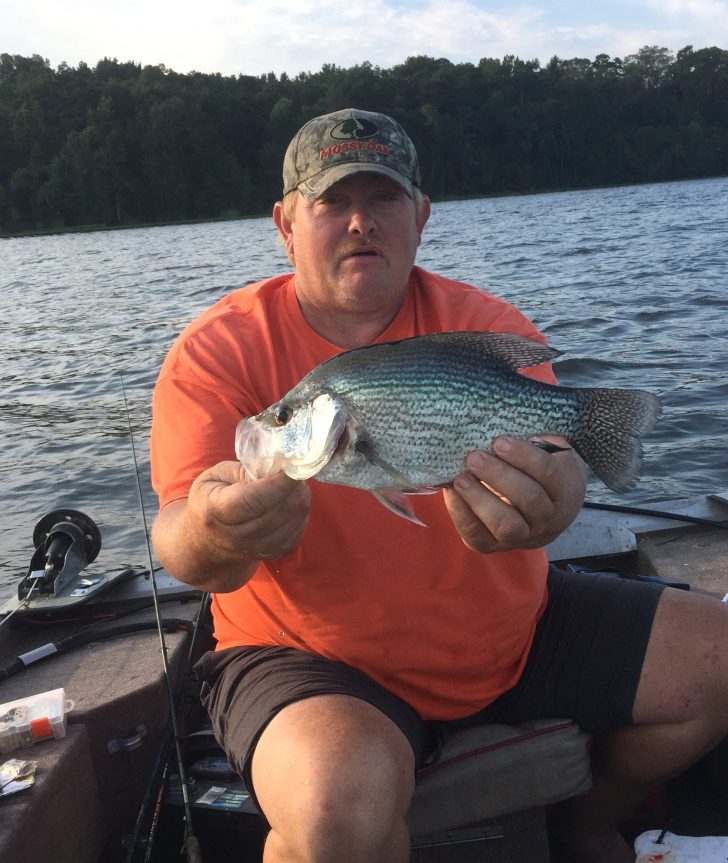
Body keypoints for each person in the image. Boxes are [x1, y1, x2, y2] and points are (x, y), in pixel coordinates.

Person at [150, 108, 728, 863]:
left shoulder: (479, 320)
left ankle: (591, 823)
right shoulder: (218, 351)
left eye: (384, 198)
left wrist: (556, 500)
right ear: (285, 223)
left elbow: (557, 459)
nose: (361, 221)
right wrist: (214, 530)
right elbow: (179, 541)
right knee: (335, 809)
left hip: (513, 633)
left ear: (420, 216)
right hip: (313, 659)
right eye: (331, 201)